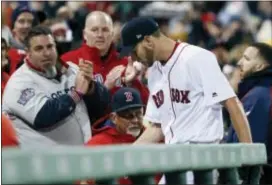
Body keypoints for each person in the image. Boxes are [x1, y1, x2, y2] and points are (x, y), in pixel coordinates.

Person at [119, 17, 252, 184]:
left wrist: (249, 154)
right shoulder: (154, 72)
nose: (134, 58)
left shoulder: (197, 58)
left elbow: (232, 104)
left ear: (148, 41)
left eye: (134, 51)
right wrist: (127, 155)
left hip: (202, 158)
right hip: (174, 159)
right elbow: (158, 127)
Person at [2, 26, 110, 146]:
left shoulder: (72, 69)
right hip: (42, 161)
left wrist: (91, 88)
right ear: (28, 53)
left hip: (79, 156)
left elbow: (102, 106)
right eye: (39, 49)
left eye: (50, 46)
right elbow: (43, 116)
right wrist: (76, 94)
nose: (47, 53)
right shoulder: (19, 82)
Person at [61, 11, 149, 106]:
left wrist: (132, 83)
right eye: (94, 30)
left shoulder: (126, 63)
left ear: (112, 34)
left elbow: (145, 103)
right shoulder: (68, 61)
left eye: (105, 30)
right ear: (85, 34)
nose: (100, 35)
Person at [84, 87, 161, 185]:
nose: (135, 120)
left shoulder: (155, 139)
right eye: (128, 115)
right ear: (114, 118)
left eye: (138, 114)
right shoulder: (96, 146)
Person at [226, 43, 272, 184]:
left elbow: (250, 151)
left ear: (259, 67)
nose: (240, 62)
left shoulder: (258, 95)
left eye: (246, 58)